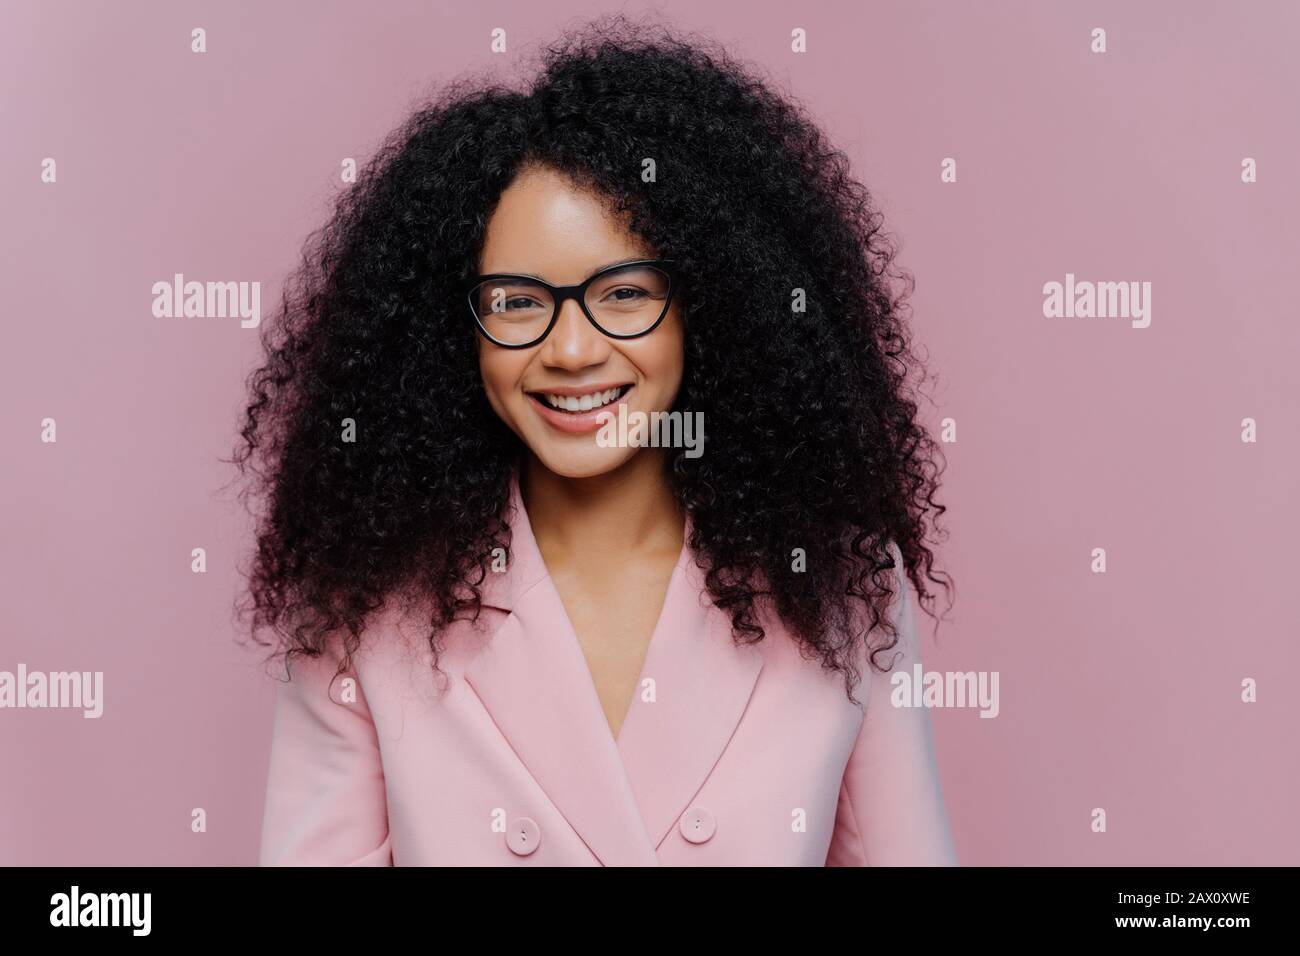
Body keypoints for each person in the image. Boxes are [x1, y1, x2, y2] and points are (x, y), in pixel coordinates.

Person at [235, 14, 957, 866]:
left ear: (712, 303)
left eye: (623, 294)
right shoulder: (361, 603)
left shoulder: (842, 584)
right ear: (450, 331)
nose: (571, 351)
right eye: (516, 302)